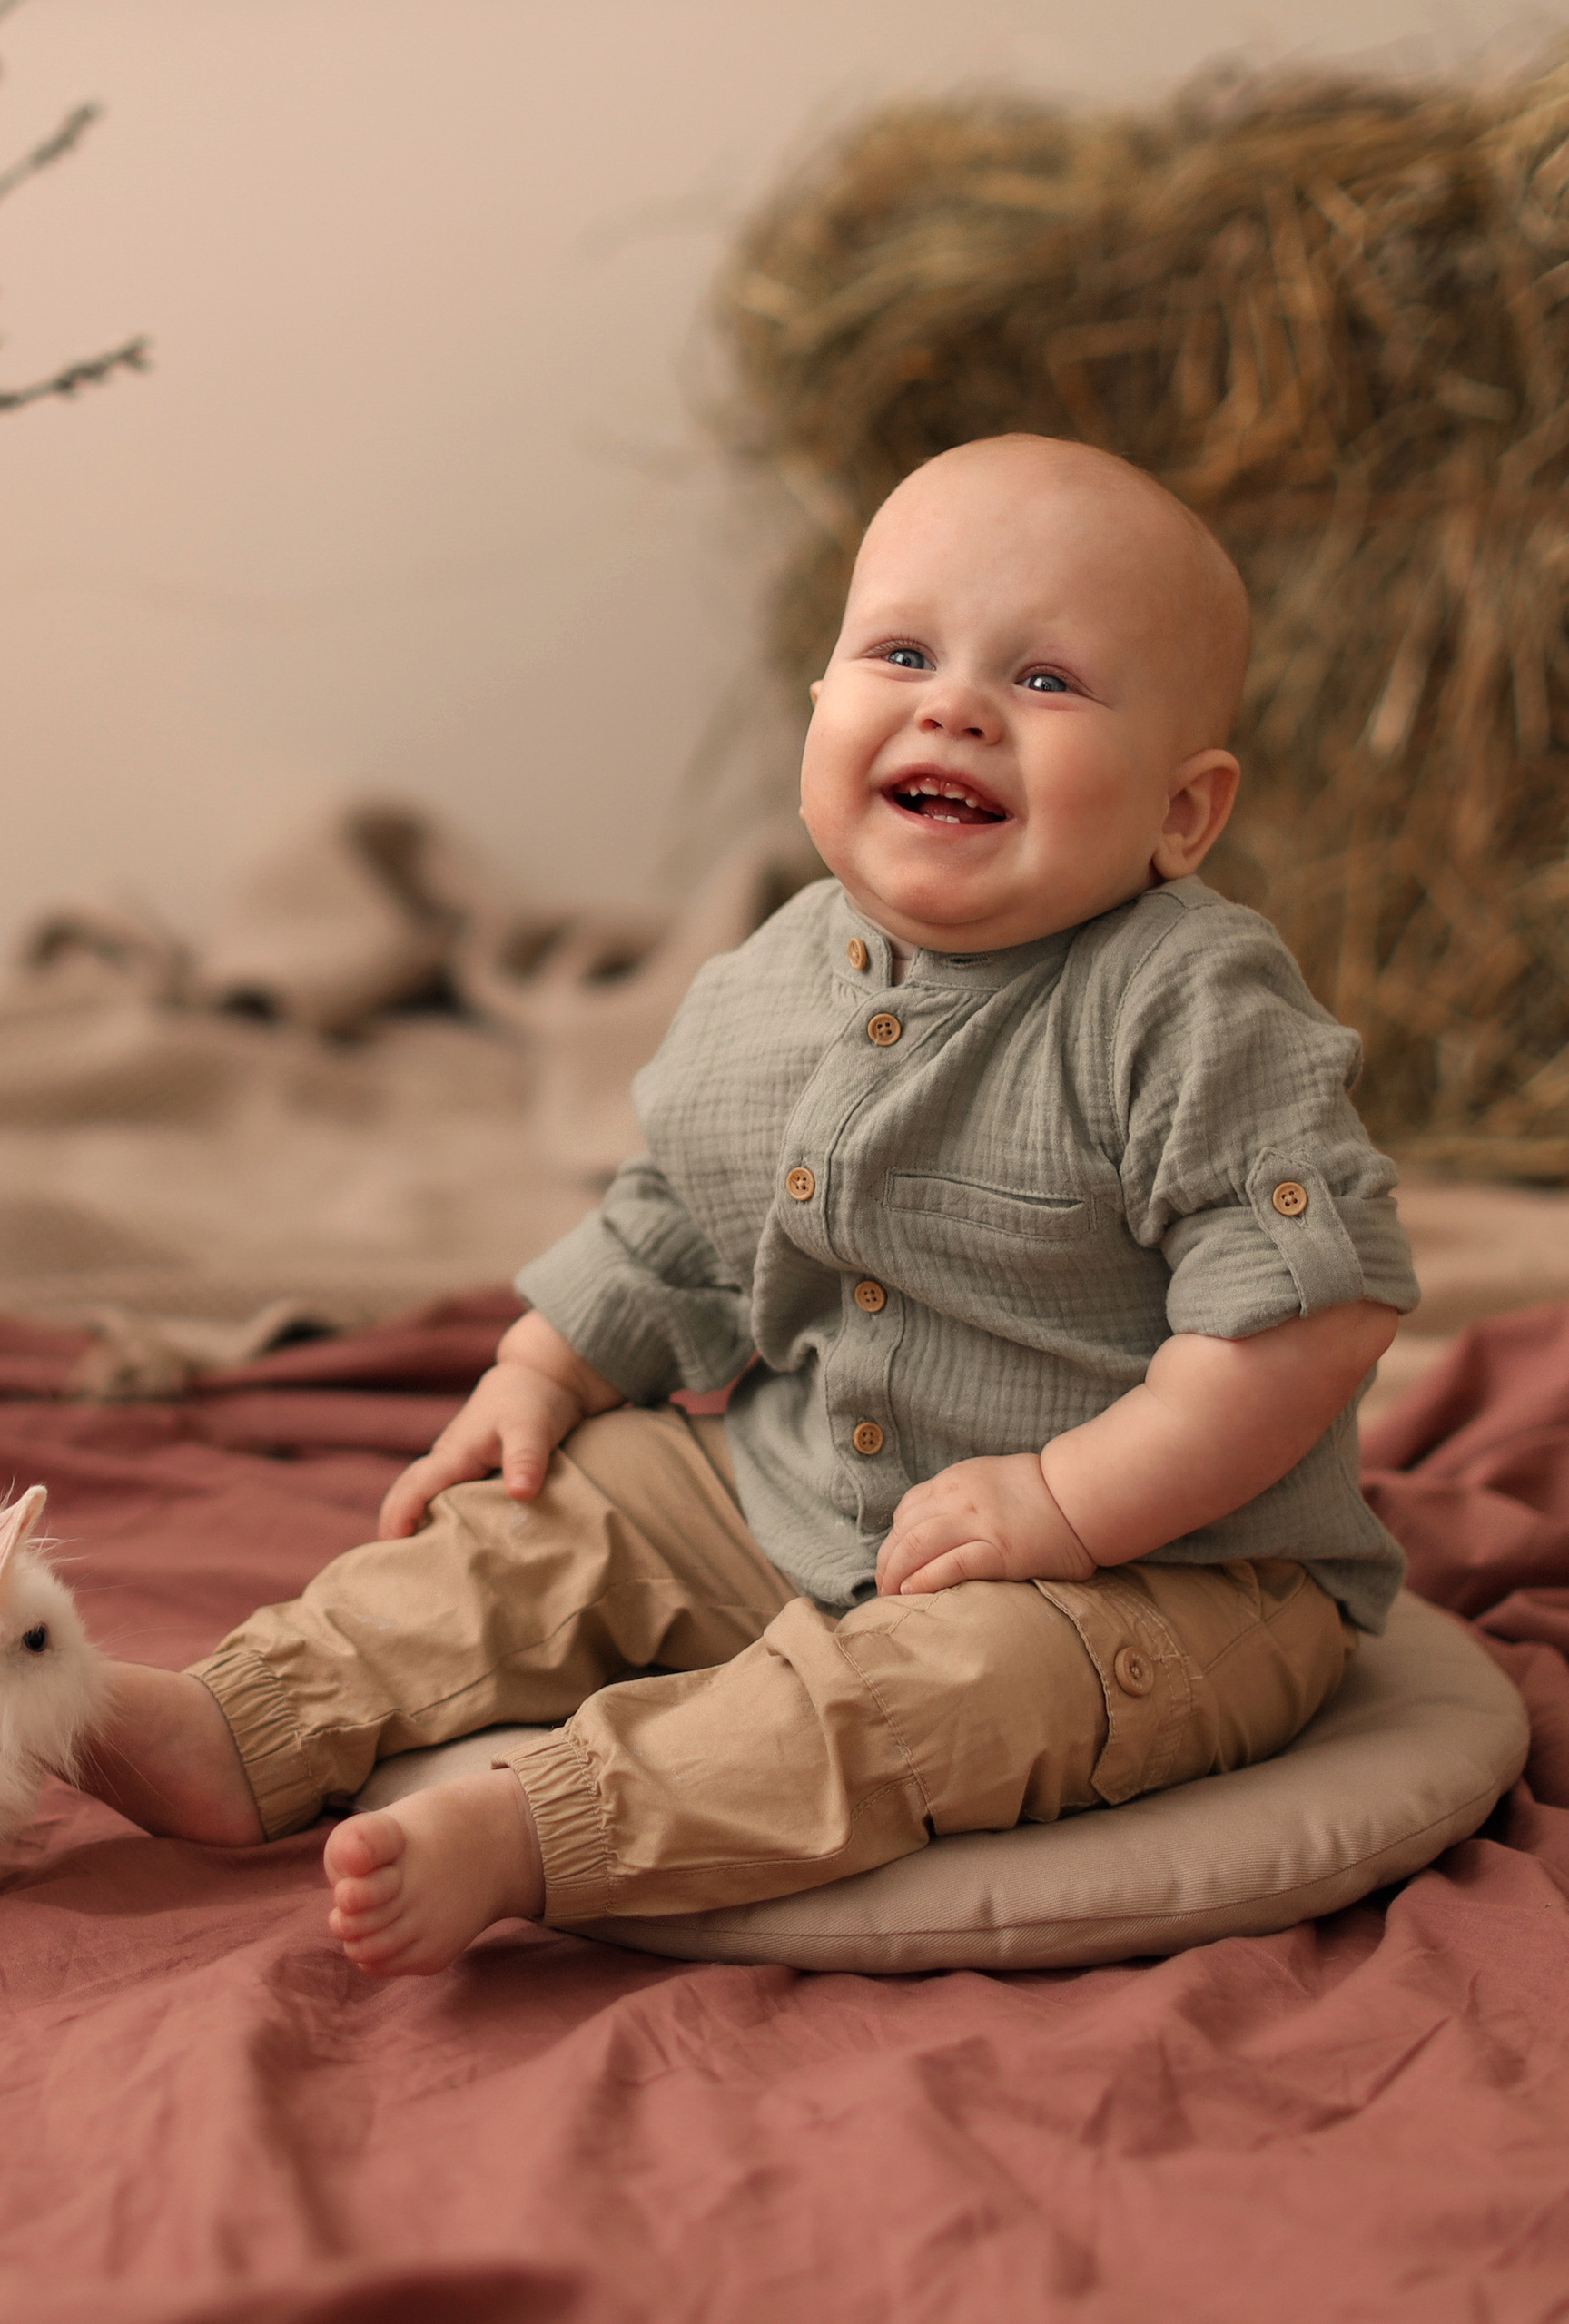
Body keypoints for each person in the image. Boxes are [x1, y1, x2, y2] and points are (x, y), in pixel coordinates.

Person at [80, 433, 1419, 1975]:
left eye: (1047, 683)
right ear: (821, 714)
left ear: (1183, 815)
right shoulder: (770, 976)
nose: (956, 705)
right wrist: (544, 1372)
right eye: (902, 652)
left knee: (936, 1699)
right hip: (799, 1491)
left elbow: (1311, 1321)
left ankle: (554, 1827)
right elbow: (676, 1219)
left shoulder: (1191, 1004)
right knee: (560, 1515)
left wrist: (1064, 1506)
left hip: (1165, 1571)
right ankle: (249, 1720)